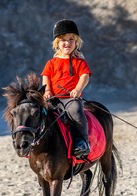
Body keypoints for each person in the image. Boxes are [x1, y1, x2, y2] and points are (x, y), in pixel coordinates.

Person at [41, 19, 92, 157]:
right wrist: (47, 91)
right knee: (39, 113)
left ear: (76, 43)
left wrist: (78, 89)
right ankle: (36, 140)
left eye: (71, 39)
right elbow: (46, 76)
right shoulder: (51, 62)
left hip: (71, 99)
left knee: (76, 111)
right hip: (54, 99)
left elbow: (85, 76)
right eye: (63, 40)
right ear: (57, 43)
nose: (67, 43)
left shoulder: (79, 62)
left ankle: (83, 141)